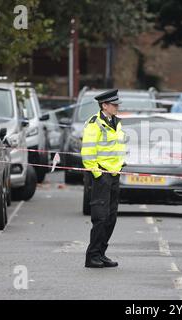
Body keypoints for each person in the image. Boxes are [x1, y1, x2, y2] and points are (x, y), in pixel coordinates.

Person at [81, 89, 126, 268]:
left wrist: (120, 165)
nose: (117, 107)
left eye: (117, 104)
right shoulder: (94, 123)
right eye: (114, 105)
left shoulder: (116, 122)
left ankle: (101, 252)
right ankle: (92, 256)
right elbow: (88, 151)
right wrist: (98, 173)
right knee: (100, 217)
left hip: (114, 174)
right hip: (101, 175)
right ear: (104, 105)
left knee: (111, 217)